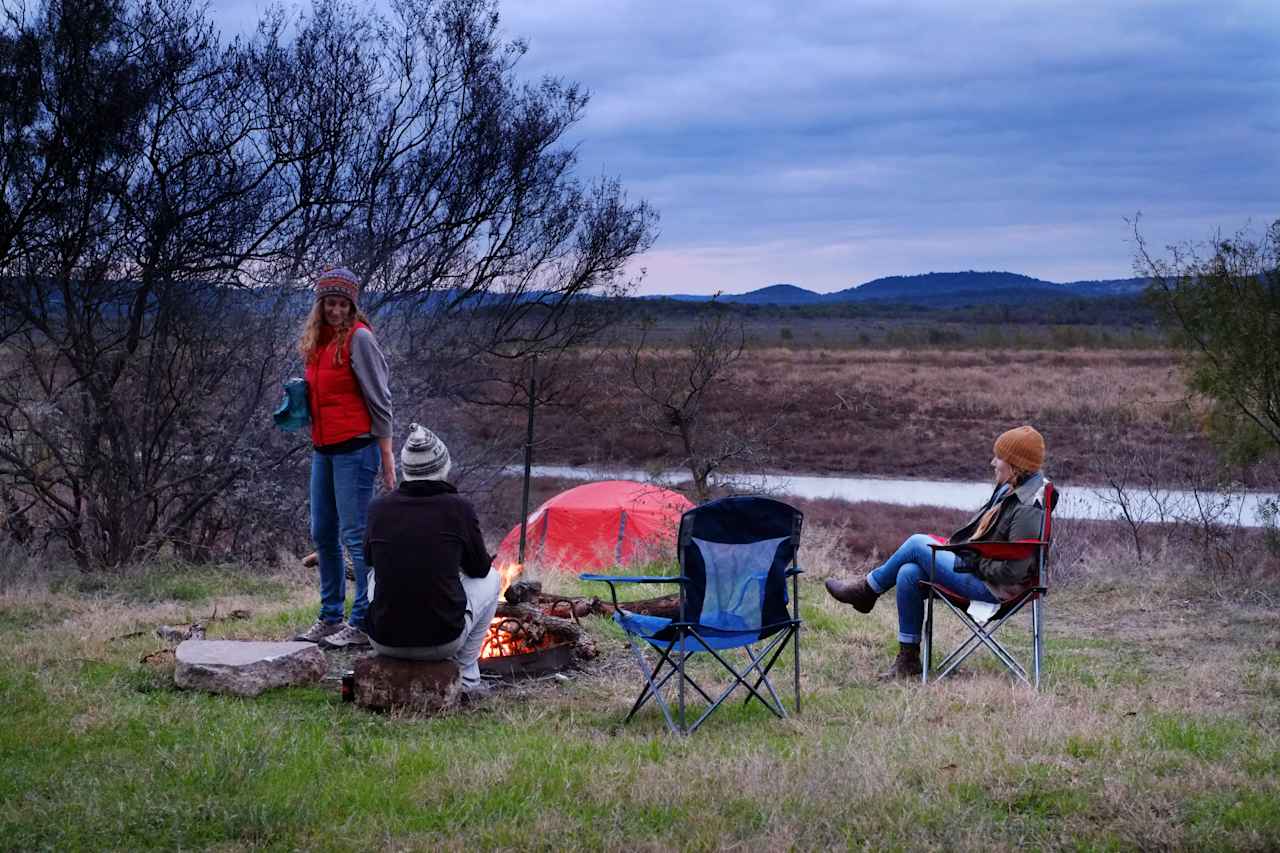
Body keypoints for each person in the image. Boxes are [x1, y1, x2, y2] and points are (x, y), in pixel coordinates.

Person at [825, 425, 1049, 680]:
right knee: (909, 573)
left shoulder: (1028, 507)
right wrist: (969, 555)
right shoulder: (1010, 488)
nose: (993, 462)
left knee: (917, 543)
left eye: (999, 457)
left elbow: (1014, 571)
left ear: (1015, 464)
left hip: (995, 589)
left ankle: (867, 591)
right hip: (981, 571)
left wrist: (974, 563)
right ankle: (908, 661)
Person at [293, 267, 395, 648]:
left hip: (356, 448)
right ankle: (330, 617)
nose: (336, 310)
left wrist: (387, 456)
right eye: (329, 303)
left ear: (352, 305)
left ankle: (363, 620)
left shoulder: (360, 339)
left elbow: (381, 399)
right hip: (324, 448)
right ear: (320, 305)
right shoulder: (316, 341)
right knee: (322, 533)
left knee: (356, 536)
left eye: (342, 304)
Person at [363, 423, 500, 694]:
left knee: (373, 574)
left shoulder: (378, 508)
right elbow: (480, 568)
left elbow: (370, 559)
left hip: (382, 639)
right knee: (494, 579)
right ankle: (467, 675)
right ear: (443, 467)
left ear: (406, 469)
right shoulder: (459, 508)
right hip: (443, 640)